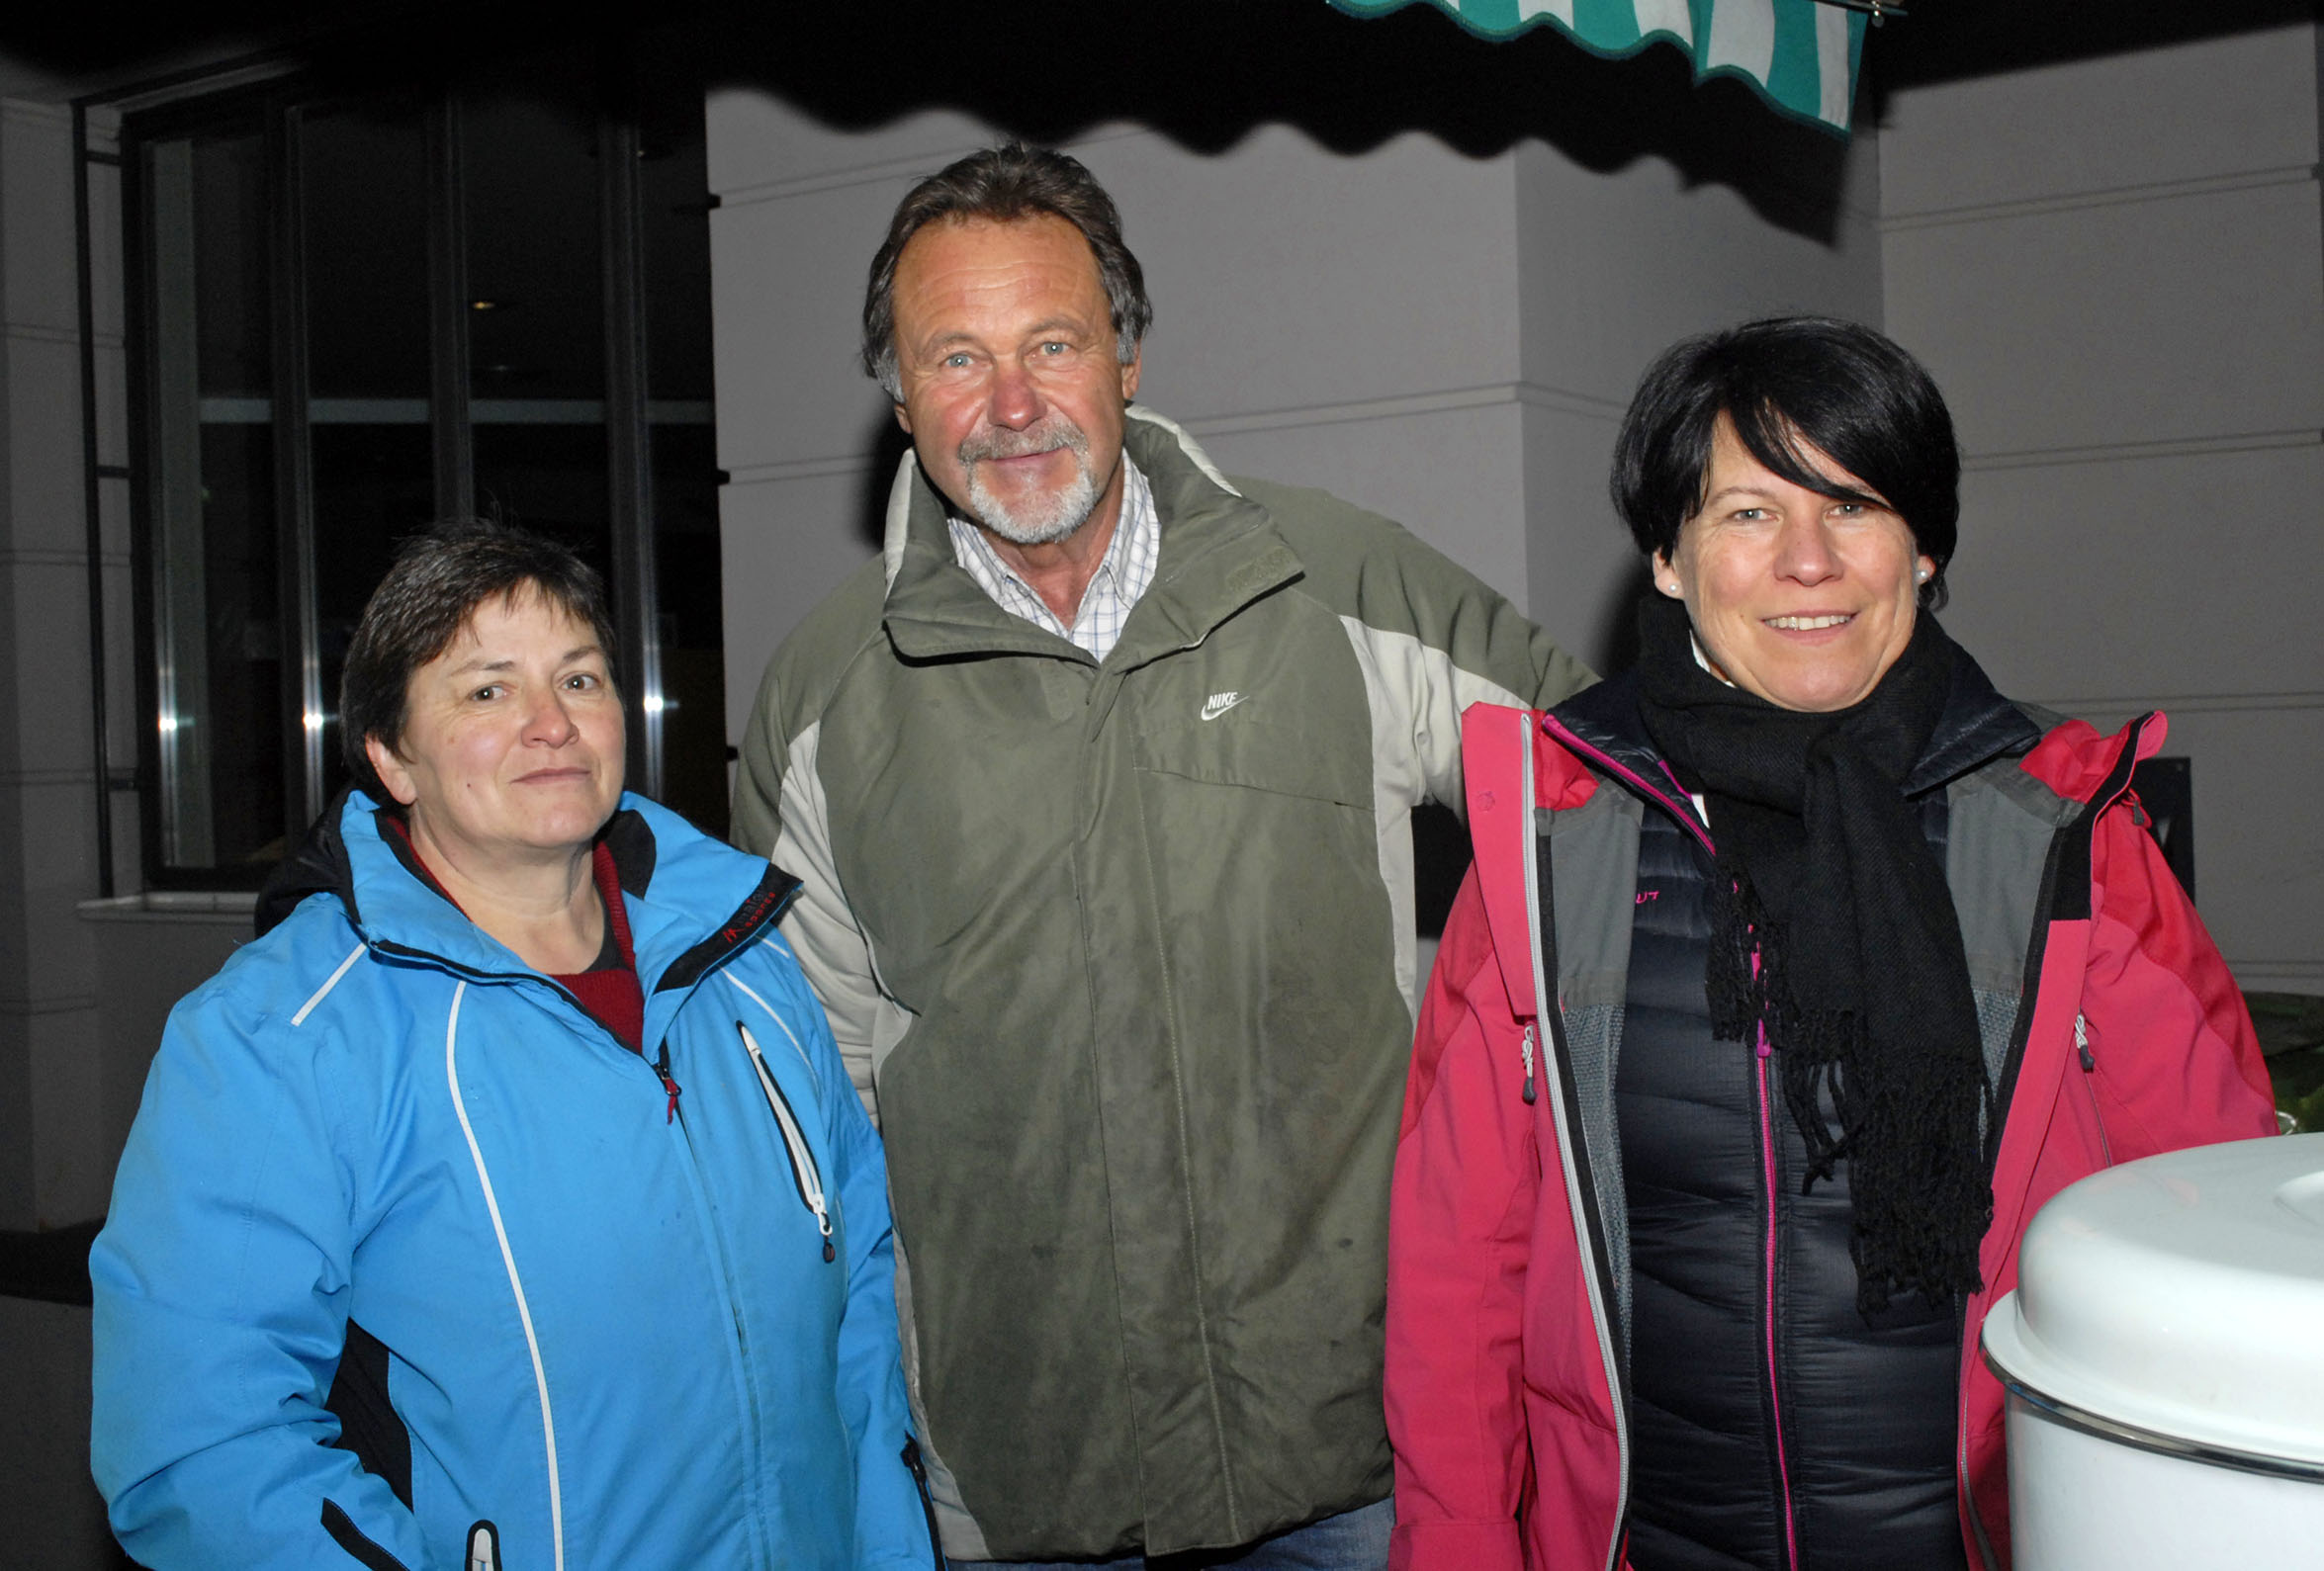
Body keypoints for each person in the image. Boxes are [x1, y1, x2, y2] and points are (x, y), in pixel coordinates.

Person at [731, 143, 1592, 1568]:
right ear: (900, 399)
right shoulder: (829, 692)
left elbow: (1603, 818)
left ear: (1126, 359)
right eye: (957, 358)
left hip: (1359, 1447)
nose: (1011, 404)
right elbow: (796, 1108)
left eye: (1051, 344)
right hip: (1025, 1478)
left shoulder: (1331, 581)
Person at [1383, 315, 2279, 1571]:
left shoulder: (2064, 830)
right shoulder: (1552, 837)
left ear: (1923, 547)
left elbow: (2217, 1243)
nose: (1808, 561)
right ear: (1668, 558)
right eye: (1748, 513)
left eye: (1852, 505)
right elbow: (1455, 1273)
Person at [91, 524, 937, 1571]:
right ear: (392, 756)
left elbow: (858, 1308)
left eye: (579, 678)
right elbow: (202, 1444)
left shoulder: (749, 967)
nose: (552, 722)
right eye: (487, 691)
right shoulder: (281, 1035)